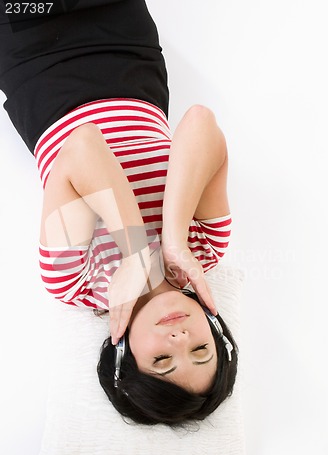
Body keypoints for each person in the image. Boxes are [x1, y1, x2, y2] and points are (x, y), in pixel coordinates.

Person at [0, 0, 238, 426]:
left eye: (163, 359)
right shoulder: (203, 251)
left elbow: (82, 145)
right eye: (201, 350)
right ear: (217, 334)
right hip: (125, 44)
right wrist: (172, 243)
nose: (180, 338)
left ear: (124, 353)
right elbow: (200, 123)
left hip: (37, 53)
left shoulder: (74, 282)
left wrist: (136, 257)